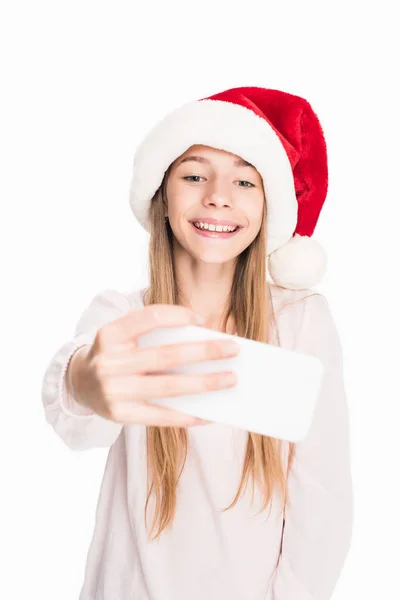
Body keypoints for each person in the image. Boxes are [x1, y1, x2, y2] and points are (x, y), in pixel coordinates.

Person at [41, 86, 353, 600]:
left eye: (244, 180)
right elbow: (78, 414)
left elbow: (323, 497)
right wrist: (82, 380)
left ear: (267, 209)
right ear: (161, 198)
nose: (218, 195)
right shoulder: (124, 317)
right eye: (193, 174)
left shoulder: (299, 323)